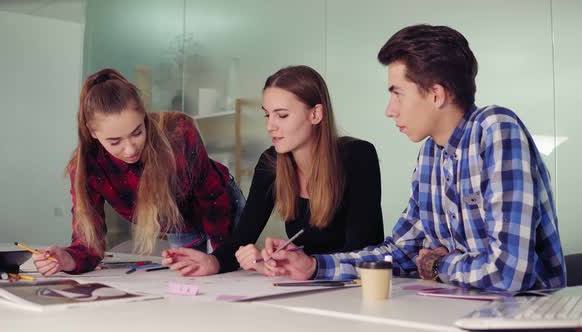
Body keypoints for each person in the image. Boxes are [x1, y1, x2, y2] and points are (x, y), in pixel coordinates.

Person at [261, 25, 566, 291]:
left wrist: (438, 266)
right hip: (456, 309)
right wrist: (314, 266)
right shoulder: (431, 152)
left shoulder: (496, 130)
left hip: (524, 317)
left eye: (397, 93)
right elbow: (404, 250)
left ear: (436, 94)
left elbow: (508, 274)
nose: (389, 109)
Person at [162, 65, 385, 276]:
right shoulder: (272, 162)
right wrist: (213, 261)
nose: (270, 126)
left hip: (358, 290)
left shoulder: (357, 156)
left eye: (282, 115)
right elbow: (242, 238)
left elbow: (363, 252)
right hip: (311, 289)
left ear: (315, 114)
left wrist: (300, 264)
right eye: (267, 115)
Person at [32, 68, 244, 275]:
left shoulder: (179, 131)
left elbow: (212, 198)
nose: (131, 149)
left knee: (228, 276)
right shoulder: (85, 167)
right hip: (179, 222)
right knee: (193, 284)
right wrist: (67, 259)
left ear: (143, 116)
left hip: (219, 205)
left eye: (137, 133)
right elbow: (89, 240)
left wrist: (219, 259)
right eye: (115, 141)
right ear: (92, 132)